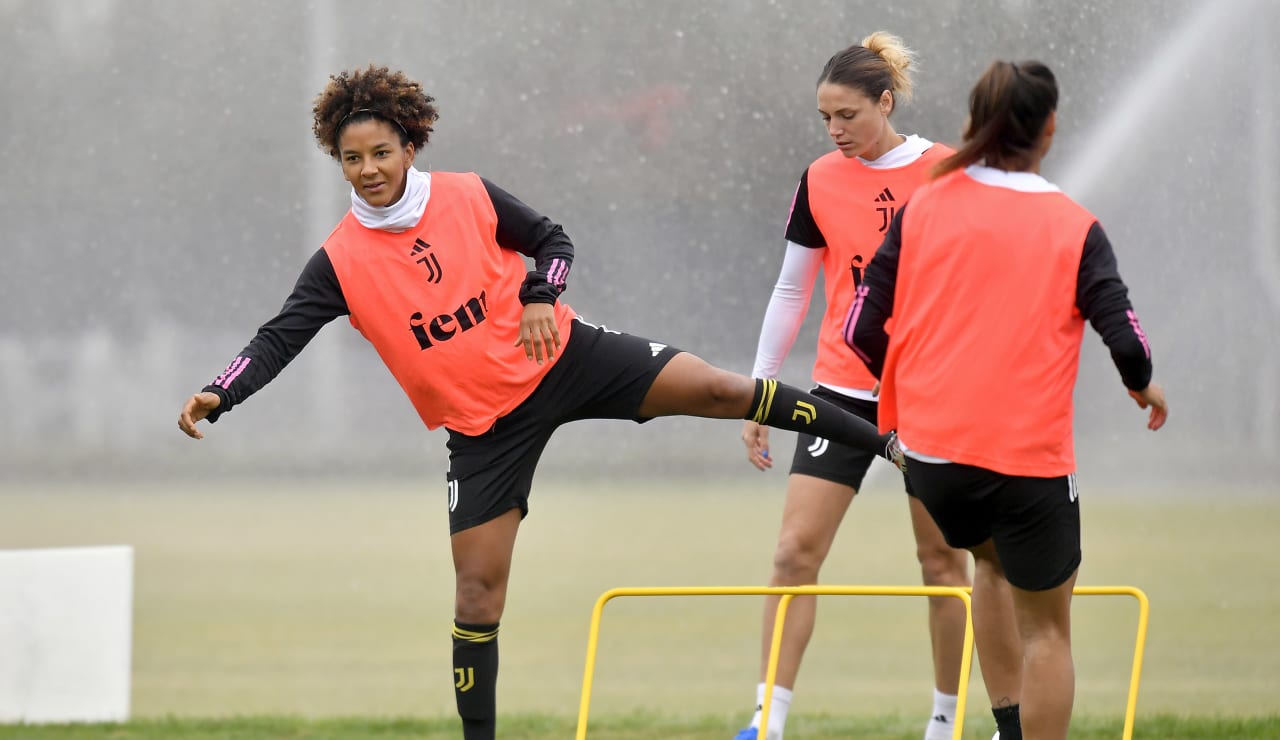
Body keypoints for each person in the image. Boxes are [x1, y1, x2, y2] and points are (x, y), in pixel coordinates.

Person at [175, 65, 905, 740]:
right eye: (352, 160)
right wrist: (221, 391)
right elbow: (278, 338)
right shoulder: (337, 260)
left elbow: (552, 239)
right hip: (484, 428)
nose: (368, 171)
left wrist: (539, 295)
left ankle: (883, 445)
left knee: (718, 388)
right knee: (477, 596)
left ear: (409, 146)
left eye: (380, 153)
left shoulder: (466, 193)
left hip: (565, 359)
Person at [845, 59, 1168, 740]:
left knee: (988, 563)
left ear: (971, 124)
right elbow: (1128, 342)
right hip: (1026, 463)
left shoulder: (924, 204)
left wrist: (913, 391)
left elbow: (860, 328)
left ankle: (1008, 728)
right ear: (1048, 130)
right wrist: (1142, 386)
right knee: (1049, 629)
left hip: (934, 461)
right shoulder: (1074, 226)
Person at [734, 33, 975, 740]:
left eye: (848, 115)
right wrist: (761, 390)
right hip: (840, 391)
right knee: (792, 555)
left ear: (886, 102)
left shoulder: (946, 172)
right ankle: (766, 724)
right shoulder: (819, 179)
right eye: (824, 118)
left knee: (941, 560)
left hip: (930, 394)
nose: (835, 131)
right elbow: (791, 288)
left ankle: (944, 723)